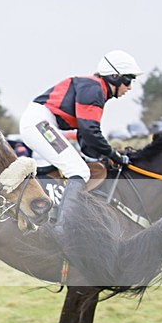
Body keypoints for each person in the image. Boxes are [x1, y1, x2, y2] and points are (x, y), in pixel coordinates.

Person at [19, 49, 143, 230]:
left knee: (79, 166)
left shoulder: (94, 88)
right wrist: (115, 155)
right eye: (128, 79)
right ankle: (64, 225)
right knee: (79, 171)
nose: (130, 87)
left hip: (41, 122)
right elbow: (90, 131)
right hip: (40, 123)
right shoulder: (94, 89)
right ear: (115, 76)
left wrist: (97, 158)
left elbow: (84, 135)